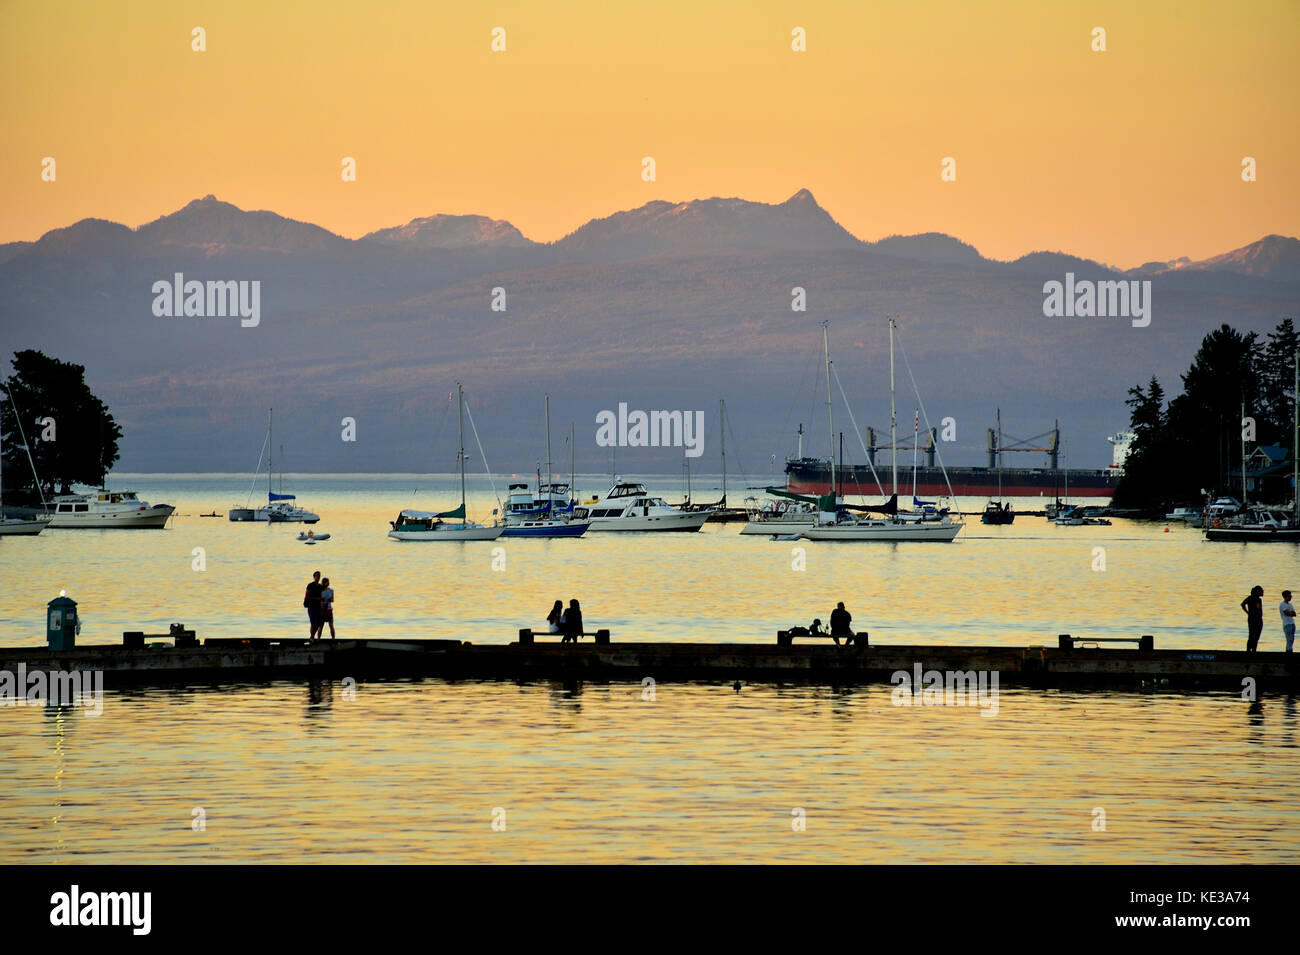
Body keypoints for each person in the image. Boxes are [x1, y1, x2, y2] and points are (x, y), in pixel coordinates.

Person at [1241, 585, 1264, 652]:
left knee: (1254, 635)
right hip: (1254, 619)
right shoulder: (1252, 598)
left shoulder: (1257, 599)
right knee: (1253, 635)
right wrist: (1248, 612)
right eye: (1261, 591)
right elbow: (1242, 604)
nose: (1262, 592)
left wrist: (1248, 612)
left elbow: (1243, 604)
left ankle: (1251, 650)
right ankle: (1250, 650)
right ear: (1257, 591)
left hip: (1256, 619)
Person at [303, 571, 324, 640]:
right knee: (313, 622)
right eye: (317, 576)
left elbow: (322, 596)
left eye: (319, 576)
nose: (318, 577)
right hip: (311, 606)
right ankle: (312, 637)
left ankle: (312, 636)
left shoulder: (320, 587)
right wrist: (317, 599)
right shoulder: (310, 585)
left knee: (318, 623)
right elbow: (307, 596)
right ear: (314, 577)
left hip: (319, 607)